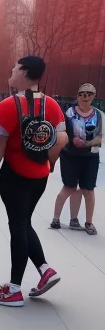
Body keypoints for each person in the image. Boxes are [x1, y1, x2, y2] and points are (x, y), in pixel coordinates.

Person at [0, 56, 68, 307]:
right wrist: (50, 163)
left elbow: (0, 146)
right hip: (39, 175)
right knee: (23, 222)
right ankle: (45, 270)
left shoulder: (8, 106)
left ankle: (14, 289)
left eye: (14, 68)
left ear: (25, 72)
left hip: (14, 175)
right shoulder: (52, 105)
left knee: (17, 227)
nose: (11, 71)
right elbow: (61, 139)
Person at [50, 83, 103, 235]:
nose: (85, 97)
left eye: (89, 93)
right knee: (69, 187)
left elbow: (100, 137)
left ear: (93, 96)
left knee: (88, 189)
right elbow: (63, 132)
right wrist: (72, 141)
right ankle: (56, 218)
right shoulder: (69, 113)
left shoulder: (98, 115)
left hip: (90, 157)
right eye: (82, 93)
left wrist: (86, 143)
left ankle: (88, 222)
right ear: (77, 95)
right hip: (70, 155)